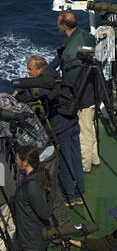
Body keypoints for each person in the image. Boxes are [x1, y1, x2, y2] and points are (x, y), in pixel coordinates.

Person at [14, 56, 85, 209]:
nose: (27, 71)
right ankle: (79, 193)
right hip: (72, 122)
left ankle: (69, 197)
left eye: (30, 69)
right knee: (75, 158)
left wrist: (19, 91)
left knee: (64, 163)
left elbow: (26, 97)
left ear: (40, 70)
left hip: (60, 128)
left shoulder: (42, 85)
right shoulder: (54, 74)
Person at [51, 11, 100, 173]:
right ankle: (94, 157)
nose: (57, 25)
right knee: (89, 126)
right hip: (92, 88)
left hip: (82, 94)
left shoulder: (70, 51)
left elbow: (71, 79)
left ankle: (84, 166)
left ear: (64, 26)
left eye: (58, 22)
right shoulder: (86, 35)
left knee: (84, 131)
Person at [13, 145, 51, 251]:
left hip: (33, 240)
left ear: (25, 162)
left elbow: (44, 212)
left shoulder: (31, 186)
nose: (15, 161)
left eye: (17, 159)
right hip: (30, 237)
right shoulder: (31, 179)